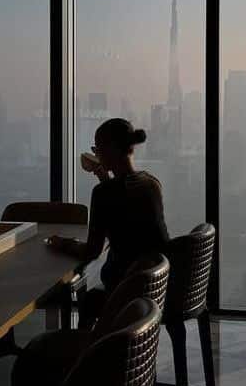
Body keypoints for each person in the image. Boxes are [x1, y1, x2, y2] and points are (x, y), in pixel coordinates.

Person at [46, 118, 169, 323]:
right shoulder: (151, 183)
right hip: (155, 284)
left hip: (123, 288)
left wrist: (63, 243)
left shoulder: (103, 193)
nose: (95, 154)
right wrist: (104, 177)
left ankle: (86, 342)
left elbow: (92, 251)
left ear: (111, 149)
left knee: (88, 301)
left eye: (97, 149)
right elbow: (126, 207)